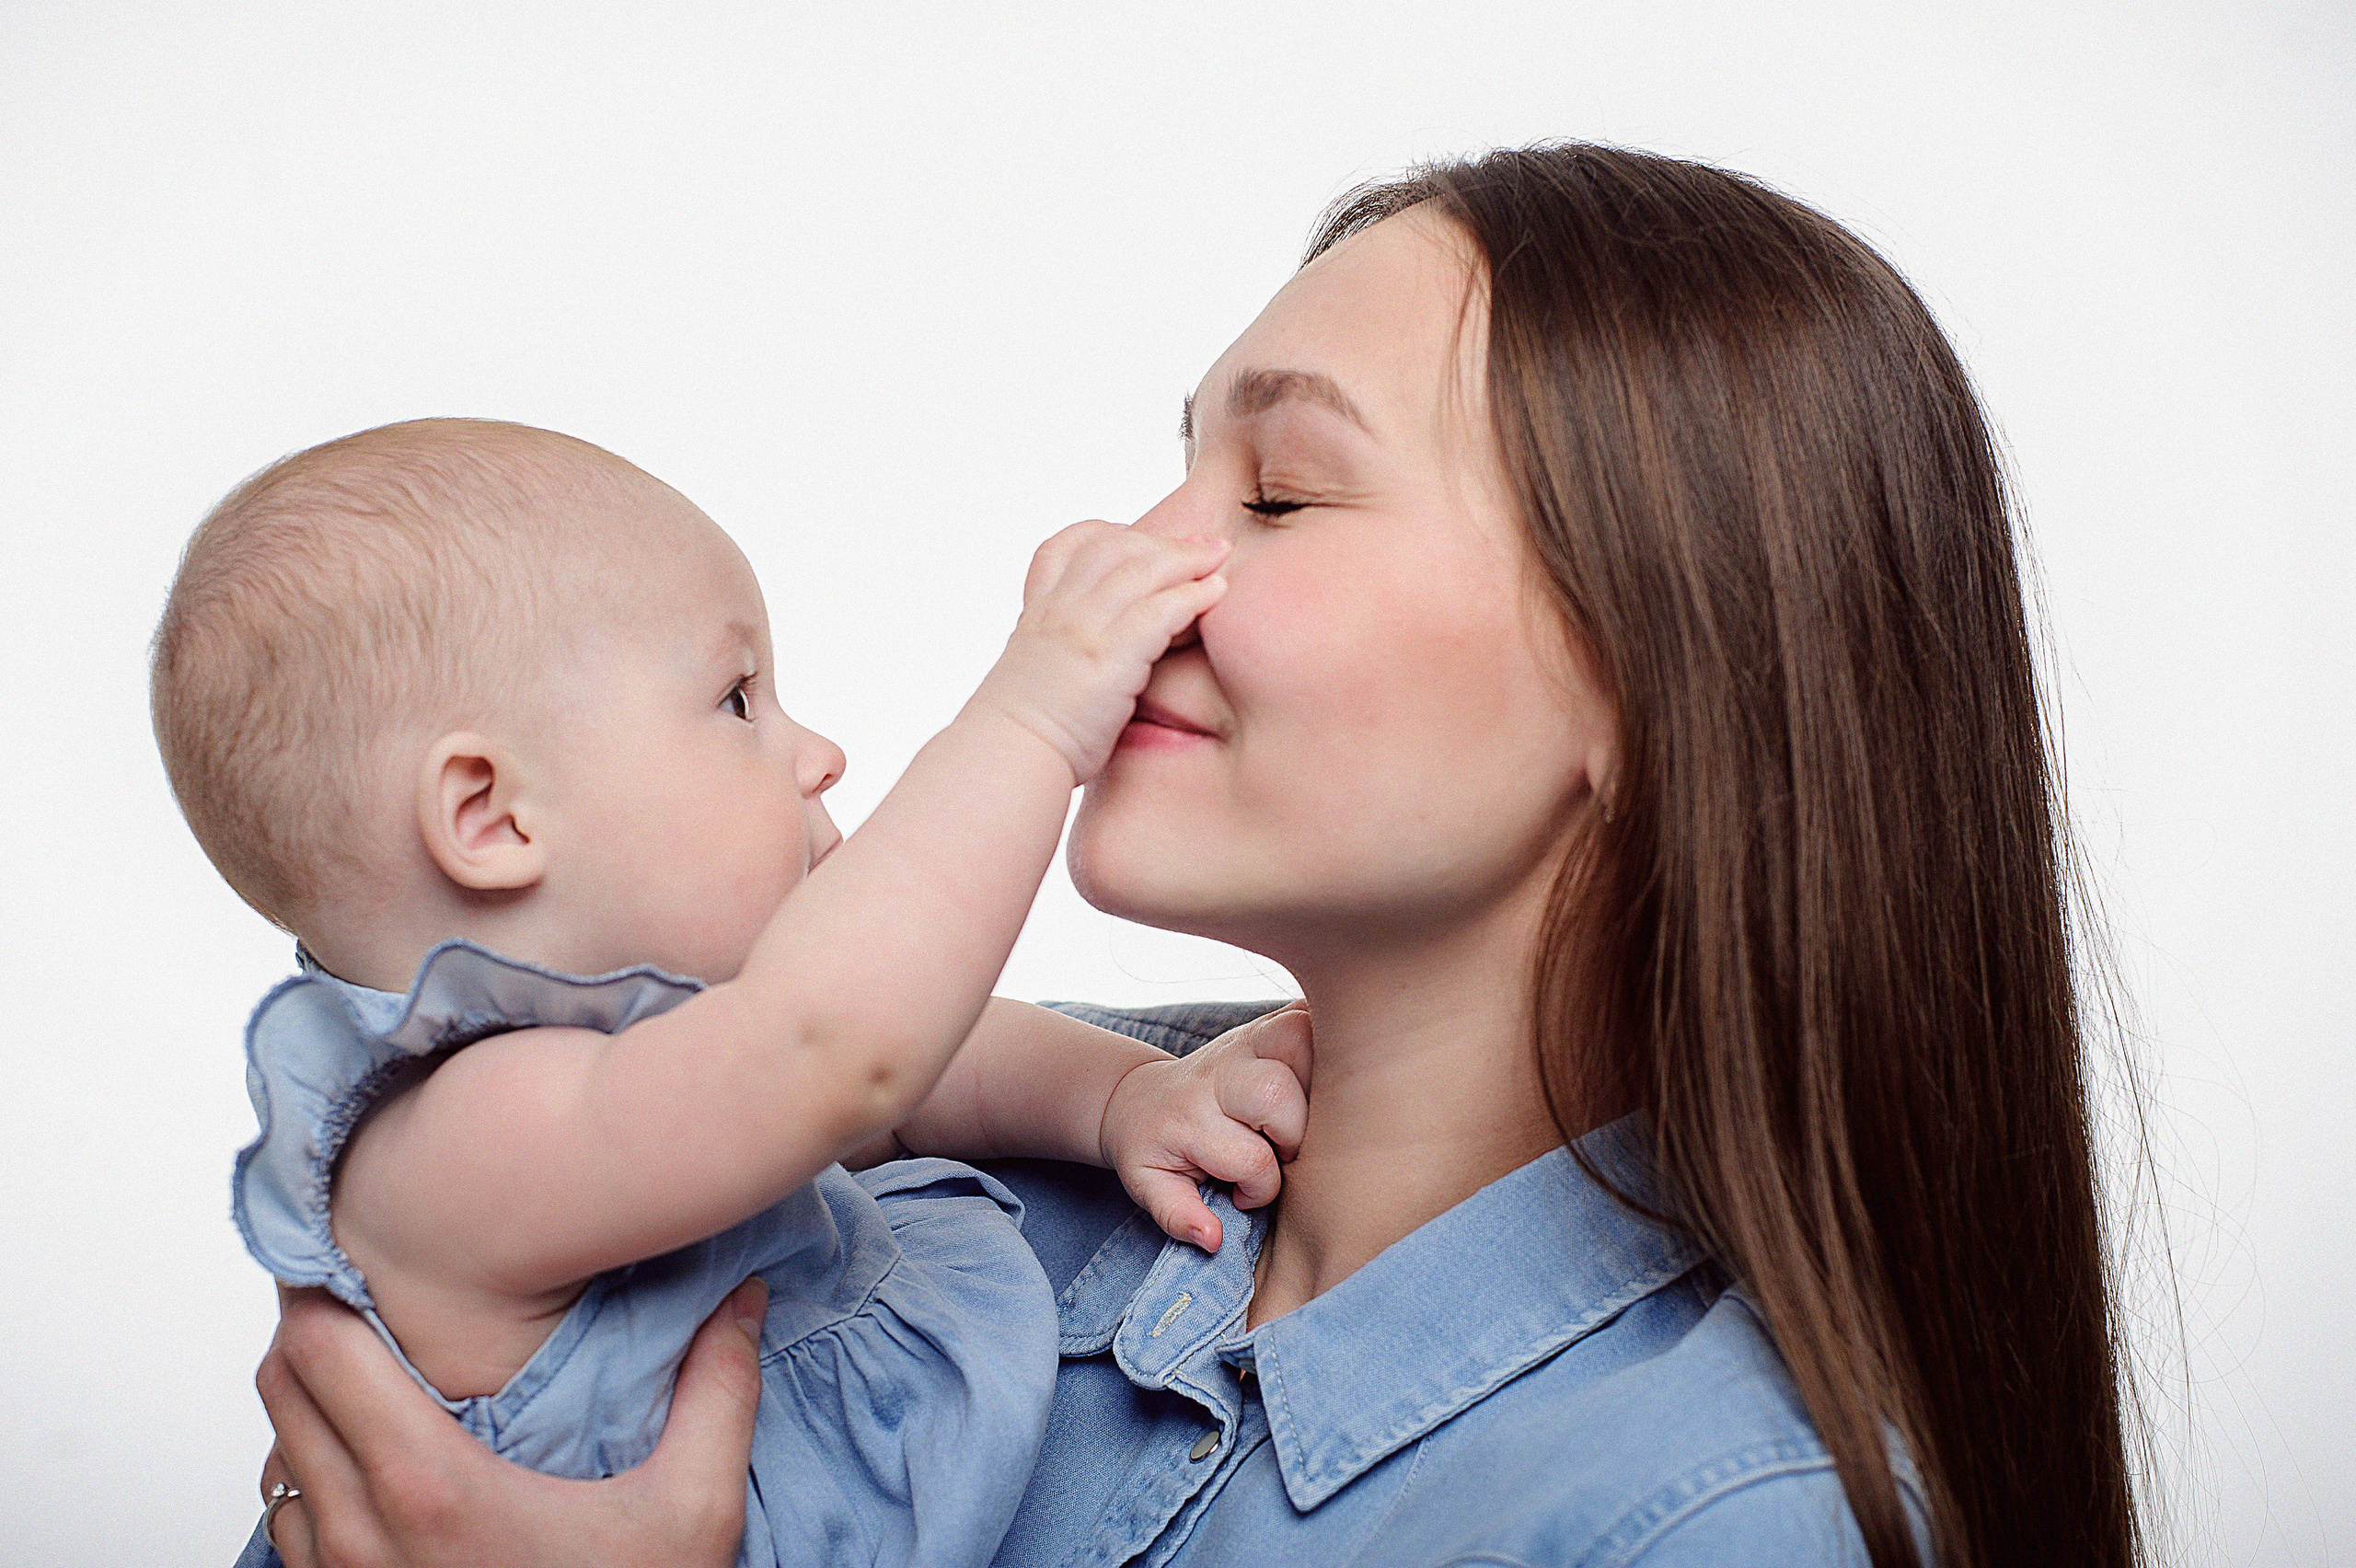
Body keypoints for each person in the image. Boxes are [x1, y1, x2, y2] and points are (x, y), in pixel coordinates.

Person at [240, 144, 2142, 1568]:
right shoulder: (950, 1139)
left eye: (1282, 490)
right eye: (1171, 469)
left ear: (1656, 670)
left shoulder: (1714, 1522)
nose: (1135, 558)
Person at [152, 419, 1313, 1568]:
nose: (818, 755)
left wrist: (1121, 1098)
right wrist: (1031, 714)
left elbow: (916, 1074)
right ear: (493, 818)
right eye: (738, 698)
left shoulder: (671, 1065)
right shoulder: (463, 1134)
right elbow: (844, 1054)